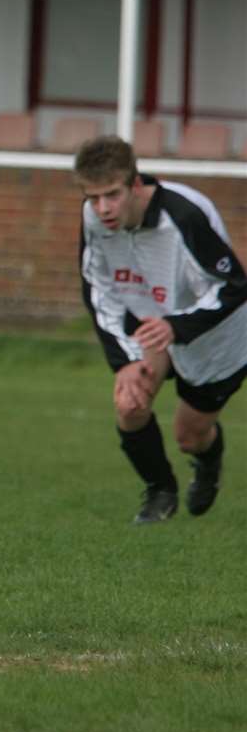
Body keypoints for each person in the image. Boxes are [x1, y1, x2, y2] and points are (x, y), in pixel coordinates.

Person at [75, 135, 244, 525]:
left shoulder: (183, 217)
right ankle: (160, 491)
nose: (103, 208)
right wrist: (123, 362)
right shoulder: (93, 218)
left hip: (216, 334)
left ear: (135, 184)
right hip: (153, 319)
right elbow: (97, 288)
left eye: (112, 195)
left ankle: (208, 459)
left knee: (190, 434)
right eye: (93, 197)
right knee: (129, 403)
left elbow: (234, 285)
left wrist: (178, 325)